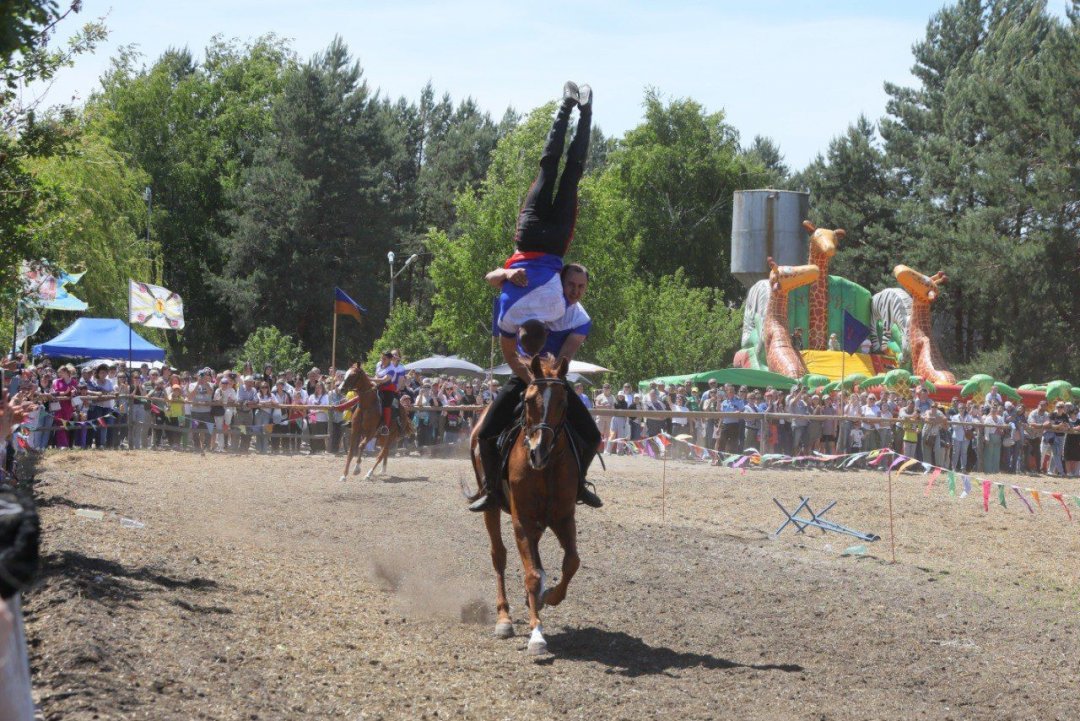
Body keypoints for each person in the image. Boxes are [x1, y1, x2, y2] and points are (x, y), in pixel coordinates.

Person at [469, 89, 602, 514]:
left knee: (572, 173)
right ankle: (491, 489)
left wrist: (553, 376)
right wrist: (529, 379)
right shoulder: (525, 309)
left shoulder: (570, 310)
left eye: (580, 288)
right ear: (565, 282)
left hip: (551, 378)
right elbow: (492, 279)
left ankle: (578, 483)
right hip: (533, 241)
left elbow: (571, 343)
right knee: (485, 433)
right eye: (574, 286)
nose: (576, 293)